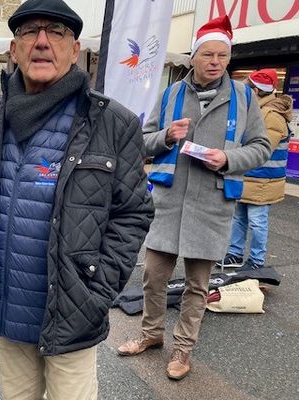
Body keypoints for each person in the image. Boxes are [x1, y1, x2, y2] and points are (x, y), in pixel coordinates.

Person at [0, 0, 154, 398]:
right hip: (6, 306)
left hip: (73, 312)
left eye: (56, 32)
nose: (41, 42)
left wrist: (97, 291)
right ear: (14, 49)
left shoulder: (112, 123)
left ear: (75, 50)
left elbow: (133, 212)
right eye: (28, 32)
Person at [117, 15, 271, 381]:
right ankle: (151, 335)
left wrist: (230, 159)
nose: (216, 61)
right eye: (208, 54)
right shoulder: (171, 94)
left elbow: (261, 147)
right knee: (153, 278)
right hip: (169, 204)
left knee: (197, 287)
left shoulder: (244, 97)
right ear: (193, 57)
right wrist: (167, 136)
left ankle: (183, 351)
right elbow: (142, 140)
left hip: (212, 204)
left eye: (222, 55)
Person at [218, 69, 293, 271]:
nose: (246, 90)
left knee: (257, 221)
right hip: (248, 175)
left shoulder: (272, 115)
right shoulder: (254, 110)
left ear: (258, 90)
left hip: (263, 180)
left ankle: (256, 261)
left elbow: (261, 148)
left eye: (250, 87)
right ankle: (235, 254)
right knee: (239, 217)